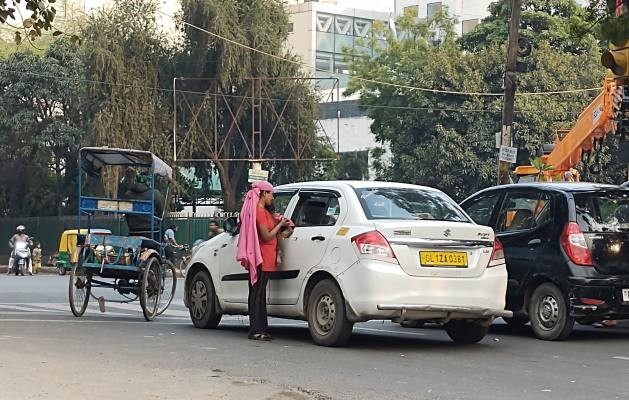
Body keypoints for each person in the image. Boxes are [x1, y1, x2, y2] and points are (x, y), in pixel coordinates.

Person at [236, 181, 291, 341]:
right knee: (257, 293)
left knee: (259, 293)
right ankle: (255, 330)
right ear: (263, 194)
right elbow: (266, 236)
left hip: (266, 257)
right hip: (260, 257)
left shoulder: (265, 212)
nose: (272, 197)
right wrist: (280, 224)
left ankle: (261, 328)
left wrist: (283, 223)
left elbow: (275, 230)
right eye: (271, 194)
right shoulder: (259, 212)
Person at [122, 171, 164, 241]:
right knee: (166, 250)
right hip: (152, 232)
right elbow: (160, 213)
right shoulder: (155, 194)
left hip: (134, 231)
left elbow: (127, 214)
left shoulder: (128, 194)